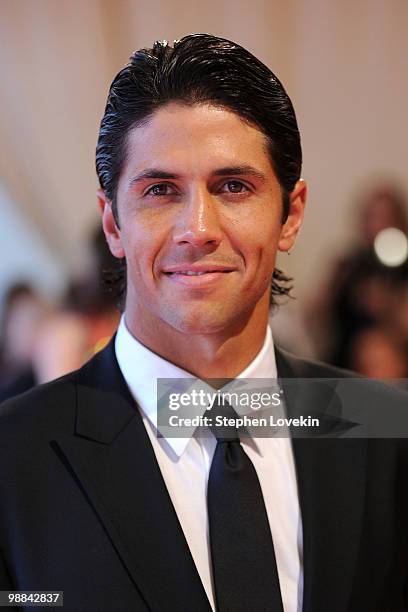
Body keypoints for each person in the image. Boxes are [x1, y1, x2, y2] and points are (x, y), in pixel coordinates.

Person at [0, 34, 407, 612]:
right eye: (161, 190)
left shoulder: (382, 424)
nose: (198, 228)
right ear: (113, 223)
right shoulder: (14, 457)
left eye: (233, 187)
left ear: (290, 214)